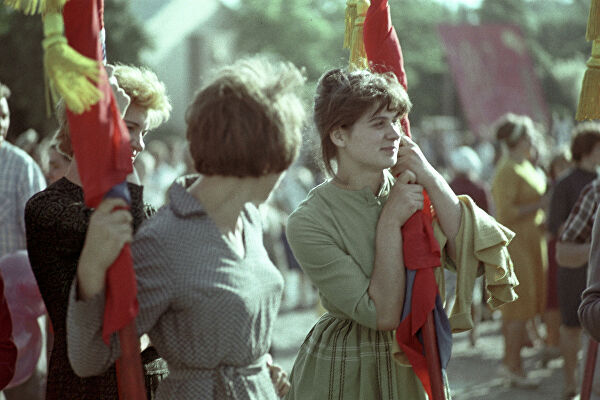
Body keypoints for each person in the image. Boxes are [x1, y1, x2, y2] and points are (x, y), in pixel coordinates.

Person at [66, 56, 305, 399]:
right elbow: (91, 357)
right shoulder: (165, 240)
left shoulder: (250, 219)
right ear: (267, 158)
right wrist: (91, 267)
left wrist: (257, 368)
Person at [282, 68, 517, 399]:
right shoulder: (308, 221)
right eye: (379, 123)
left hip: (416, 364)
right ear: (339, 136)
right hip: (345, 369)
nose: (395, 133)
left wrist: (429, 175)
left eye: (395, 120)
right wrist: (390, 223)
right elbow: (382, 313)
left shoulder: (415, 188)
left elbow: (478, 259)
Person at [25, 64, 172, 399]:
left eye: (144, 132)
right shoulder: (47, 209)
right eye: (129, 127)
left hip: (152, 385)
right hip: (87, 389)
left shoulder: (148, 209)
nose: (140, 144)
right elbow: (124, 232)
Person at [491, 113, 548, 387]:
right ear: (519, 139)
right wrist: (541, 205)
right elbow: (505, 213)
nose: (533, 139)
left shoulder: (524, 164)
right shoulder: (507, 170)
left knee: (527, 305)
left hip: (532, 241)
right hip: (516, 245)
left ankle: (513, 364)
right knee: (517, 308)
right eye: (528, 135)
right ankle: (511, 366)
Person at [547, 123, 600, 399]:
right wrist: (593, 247)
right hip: (574, 268)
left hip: (593, 267)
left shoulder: (596, 180)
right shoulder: (567, 183)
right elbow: (556, 227)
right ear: (589, 149)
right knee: (571, 324)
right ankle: (570, 383)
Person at [0, 82, 46, 260]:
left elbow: (40, 238)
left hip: (10, 277)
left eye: (4, 116)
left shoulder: (22, 168)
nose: (1, 123)